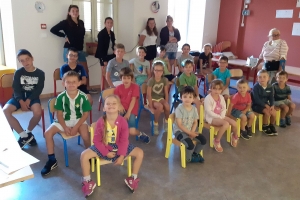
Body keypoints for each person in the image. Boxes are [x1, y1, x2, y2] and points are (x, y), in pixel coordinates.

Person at [80, 95, 144, 197]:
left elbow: (124, 140)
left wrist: (122, 155)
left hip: (120, 146)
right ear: (104, 108)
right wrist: (106, 152)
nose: (111, 105)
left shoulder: (123, 121)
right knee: (84, 155)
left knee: (139, 153)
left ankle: (133, 178)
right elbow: (96, 140)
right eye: (108, 104)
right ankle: (87, 181)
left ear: (119, 107)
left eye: (114, 103)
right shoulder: (101, 121)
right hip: (103, 145)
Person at [41, 71, 91, 176]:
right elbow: (59, 115)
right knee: (47, 133)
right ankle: (52, 160)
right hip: (63, 120)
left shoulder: (83, 97)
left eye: (74, 82)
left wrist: (75, 127)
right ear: (63, 83)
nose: (71, 84)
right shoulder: (61, 97)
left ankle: (90, 154)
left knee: (86, 134)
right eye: (68, 82)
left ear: (79, 83)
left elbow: (85, 115)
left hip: (79, 120)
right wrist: (65, 127)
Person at [3, 49, 45, 148]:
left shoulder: (40, 73)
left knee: (38, 112)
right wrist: (21, 101)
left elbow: (38, 89)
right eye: (22, 60)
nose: (25, 62)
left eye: (27, 59)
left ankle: (28, 132)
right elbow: (16, 89)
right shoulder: (18, 72)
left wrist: (29, 100)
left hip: (33, 97)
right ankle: (24, 136)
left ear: (32, 59)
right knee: (5, 111)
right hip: (18, 97)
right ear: (19, 62)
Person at [50, 5, 90, 90]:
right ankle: (70, 89)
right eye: (73, 11)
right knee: (70, 72)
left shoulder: (81, 22)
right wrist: (64, 36)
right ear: (69, 13)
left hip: (79, 49)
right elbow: (53, 29)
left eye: (76, 11)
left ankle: (86, 88)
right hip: (69, 50)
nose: (75, 12)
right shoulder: (65, 22)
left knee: (85, 70)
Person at [114, 67, 150, 143]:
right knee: (117, 127)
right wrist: (119, 105)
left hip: (131, 110)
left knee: (132, 131)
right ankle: (121, 141)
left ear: (131, 78)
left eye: (128, 78)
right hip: (121, 110)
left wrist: (128, 113)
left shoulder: (135, 87)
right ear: (121, 78)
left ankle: (140, 134)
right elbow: (116, 98)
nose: (126, 80)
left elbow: (133, 100)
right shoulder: (118, 88)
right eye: (124, 78)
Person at [173, 86, 206, 163]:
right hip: (179, 132)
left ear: (193, 99)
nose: (187, 99)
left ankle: (195, 154)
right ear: (181, 98)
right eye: (185, 97)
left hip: (190, 130)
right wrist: (190, 133)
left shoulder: (194, 109)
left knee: (203, 140)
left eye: (190, 97)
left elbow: (195, 122)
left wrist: (192, 132)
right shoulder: (179, 109)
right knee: (190, 145)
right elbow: (180, 125)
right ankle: (189, 159)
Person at [204, 80, 238, 152]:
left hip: (221, 116)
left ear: (221, 90)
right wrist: (220, 117)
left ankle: (234, 136)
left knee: (234, 123)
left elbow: (223, 108)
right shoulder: (208, 98)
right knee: (226, 124)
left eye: (219, 89)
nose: (217, 91)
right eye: (214, 88)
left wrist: (222, 116)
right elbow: (209, 111)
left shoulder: (221, 97)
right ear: (211, 88)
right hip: (212, 118)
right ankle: (216, 140)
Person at [251, 69, 277, 136]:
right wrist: (265, 105)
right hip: (256, 105)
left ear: (268, 78)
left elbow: (271, 97)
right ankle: (265, 126)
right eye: (260, 77)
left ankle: (271, 125)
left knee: (274, 113)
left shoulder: (270, 87)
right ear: (257, 78)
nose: (262, 79)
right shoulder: (256, 87)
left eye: (264, 77)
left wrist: (272, 105)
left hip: (266, 104)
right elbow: (256, 99)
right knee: (267, 112)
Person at [147, 61, 170, 135]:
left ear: (163, 71)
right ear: (153, 70)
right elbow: (149, 95)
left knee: (167, 106)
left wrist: (166, 103)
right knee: (159, 107)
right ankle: (155, 123)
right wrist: (150, 106)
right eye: (156, 70)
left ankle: (166, 121)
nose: (158, 72)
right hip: (152, 99)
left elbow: (166, 93)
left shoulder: (164, 80)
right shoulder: (151, 80)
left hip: (160, 98)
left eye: (160, 70)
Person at [95, 17, 116, 88]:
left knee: (111, 74)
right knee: (104, 74)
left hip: (111, 56)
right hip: (103, 56)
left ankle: (110, 89)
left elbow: (113, 45)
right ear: (105, 23)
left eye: (111, 23)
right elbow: (100, 48)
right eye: (108, 22)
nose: (110, 24)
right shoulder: (101, 34)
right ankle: (103, 91)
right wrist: (104, 60)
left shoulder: (112, 34)